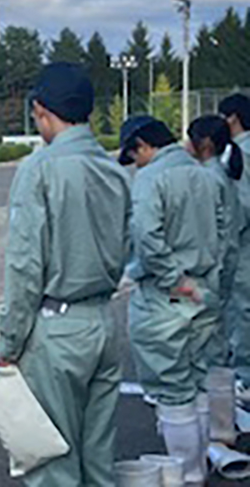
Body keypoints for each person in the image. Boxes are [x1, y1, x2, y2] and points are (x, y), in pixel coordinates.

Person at [0, 62, 132, 487]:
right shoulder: (114, 170)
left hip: (57, 327)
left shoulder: (40, 168)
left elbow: (24, 265)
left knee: (53, 467)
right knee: (98, 459)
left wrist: (9, 340)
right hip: (104, 322)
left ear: (41, 110)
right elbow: (127, 244)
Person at [120, 116, 223, 485]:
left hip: (168, 296)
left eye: (135, 155)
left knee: (171, 389)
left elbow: (147, 236)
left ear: (143, 145)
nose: (136, 164)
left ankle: (187, 474)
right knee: (196, 382)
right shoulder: (206, 175)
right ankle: (198, 468)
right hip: (204, 290)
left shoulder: (150, 179)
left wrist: (172, 279)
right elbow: (225, 232)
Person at [187, 115, 244, 369]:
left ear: (205, 143)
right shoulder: (222, 175)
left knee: (206, 338)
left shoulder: (207, 179)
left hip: (211, 268)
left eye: (191, 139)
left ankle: (211, 397)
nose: (187, 145)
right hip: (226, 263)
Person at [218, 94, 250, 397]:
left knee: (242, 310)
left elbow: (241, 205)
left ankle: (244, 377)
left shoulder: (240, 152)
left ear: (233, 118)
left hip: (243, 246)